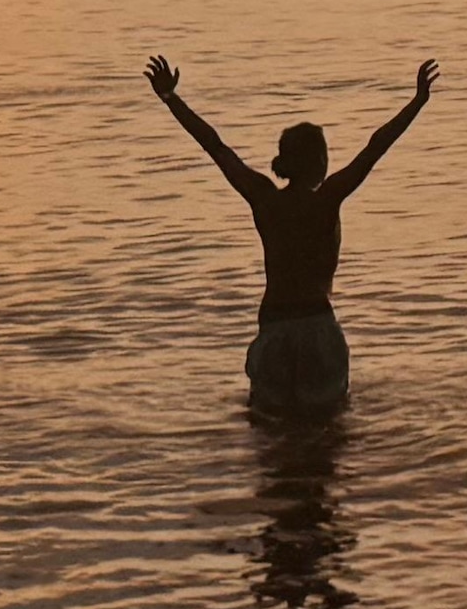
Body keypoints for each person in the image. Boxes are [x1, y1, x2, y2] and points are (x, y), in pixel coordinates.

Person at [144, 52, 436, 413]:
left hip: (275, 328)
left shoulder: (264, 198)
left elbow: (215, 146)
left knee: (269, 426)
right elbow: (375, 147)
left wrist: (170, 98)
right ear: (318, 162)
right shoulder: (327, 199)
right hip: (317, 327)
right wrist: (417, 102)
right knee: (327, 426)